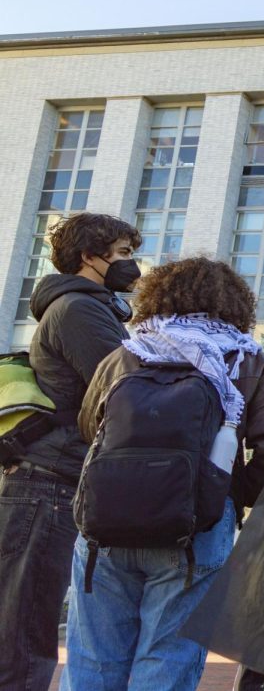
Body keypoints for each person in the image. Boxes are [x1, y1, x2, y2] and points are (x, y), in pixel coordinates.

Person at [61, 257, 264, 691]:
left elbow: (90, 426)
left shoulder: (126, 353)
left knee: (93, 658)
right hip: (196, 526)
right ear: (236, 306)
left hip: (106, 523)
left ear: (156, 298)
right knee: (168, 657)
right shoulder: (250, 361)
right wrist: (227, 491)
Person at [0, 212, 141, 691]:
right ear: (89, 256)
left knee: (25, 622)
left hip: (54, 482)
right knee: (24, 627)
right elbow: (123, 390)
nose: (131, 264)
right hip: (47, 484)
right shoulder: (79, 310)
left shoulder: (88, 307)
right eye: (122, 253)